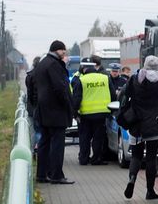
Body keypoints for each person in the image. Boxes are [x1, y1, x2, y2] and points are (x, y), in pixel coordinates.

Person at [119, 55, 158, 200]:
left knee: (136, 156)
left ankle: (131, 179)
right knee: (150, 158)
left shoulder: (135, 79)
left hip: (136, 123)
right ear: (157, 66)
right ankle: (150, 191)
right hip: (154, 124)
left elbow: (124, 94)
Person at [31, 40, 75, 185]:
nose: (64, 54)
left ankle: (42, 175)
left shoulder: (43, 63)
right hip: (56, 111)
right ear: (57, 50)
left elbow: (34, 87)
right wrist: (67, 104)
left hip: (43, 109)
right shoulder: (54, 65)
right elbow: (60, 88)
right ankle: (56, 175)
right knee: (57, 144)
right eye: (63, 51)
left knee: (44, 142)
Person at [72, 58, 112, 165]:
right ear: (94, 67)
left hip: (85, 114)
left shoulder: (82, 80)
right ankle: (96, 159)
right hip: (102, 113)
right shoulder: (105, 78)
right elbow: (113, 94)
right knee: (98, 137)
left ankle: (84, 159)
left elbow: (77, 98)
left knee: (85, 137)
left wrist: (74, 112)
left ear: (84, 69)